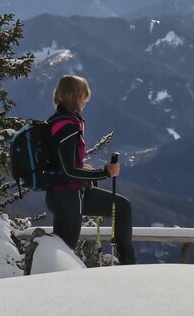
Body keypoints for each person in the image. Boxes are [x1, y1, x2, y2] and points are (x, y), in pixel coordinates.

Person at [45, 74, 136, 265]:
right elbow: (68, 171)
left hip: (67, 195)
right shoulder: (67, 126)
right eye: (83, 97)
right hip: (67, 197)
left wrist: (84, 169)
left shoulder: (60, 121)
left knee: (121, 207)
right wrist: (104, 172)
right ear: (75, 96)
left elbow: (65, 164)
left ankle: (129, 264)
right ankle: (51, 284)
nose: (85, 102)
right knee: (65, 250)